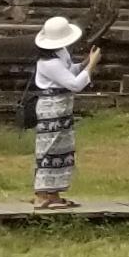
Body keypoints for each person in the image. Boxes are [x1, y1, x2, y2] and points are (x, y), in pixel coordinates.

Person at [28, 15, 99, 209]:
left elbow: (70, 71)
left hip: (62, 107)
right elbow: (75, 84)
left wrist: (85, 63)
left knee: (62, 150)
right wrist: (92, 65)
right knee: (49, 150)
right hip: (52, 108)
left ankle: (54, 193)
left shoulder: (60, 53)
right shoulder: (47, 62)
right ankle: (41, 194)